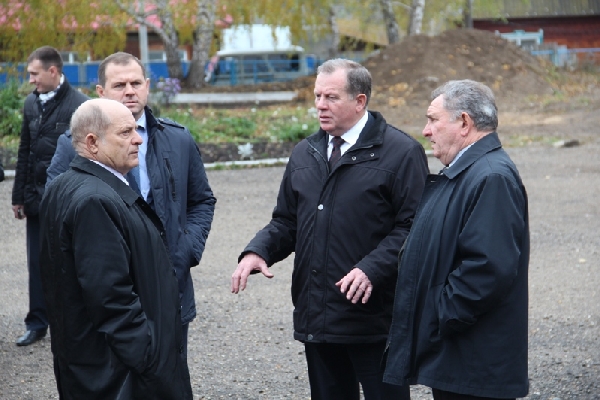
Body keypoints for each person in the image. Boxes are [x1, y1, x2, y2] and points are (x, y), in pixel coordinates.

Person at [231, 58, 429, 400]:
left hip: (375, 319)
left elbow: (415, 227)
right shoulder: (305, 152)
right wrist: (258, 251)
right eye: (317, 96)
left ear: (360, 101)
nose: (320, 105)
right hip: (319, 318)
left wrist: (372, 268)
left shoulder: (401, 153)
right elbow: (287, 220)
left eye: (331, 97)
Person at [46, 52, 216, 360]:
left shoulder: (177, 139)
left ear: (147, 86)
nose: (129, 91)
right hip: (112, 292)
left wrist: (187, 248)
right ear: (100, 92)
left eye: (136, 83)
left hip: (170, 286)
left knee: (170, 371)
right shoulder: (75, 144)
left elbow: (202, 199)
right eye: (119, 85)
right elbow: (57, 209)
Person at [383, 80, 530, 400]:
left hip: (473, 360)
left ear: (464, 122)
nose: (426, 131)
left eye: (433, 119)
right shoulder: (465, 172)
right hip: (459, 356)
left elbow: (488, 268)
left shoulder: (490, 176)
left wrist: (441, 315)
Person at [40, 98, 193, 399]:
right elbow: (110, 297)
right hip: (116, 376)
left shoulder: (70, 185)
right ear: (92, 143)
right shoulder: (95, 200)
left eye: (135, 130)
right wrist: (148, 359)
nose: (138, 139)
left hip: (98, 366)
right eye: (125, 133)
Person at [11, 46, 88, 346]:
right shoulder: (31, 103)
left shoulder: (80, 105)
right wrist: (19, 196)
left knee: (71, 261)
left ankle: (74, 323)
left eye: (34, 74)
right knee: (37, 263)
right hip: (35, 199)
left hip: (67, 201)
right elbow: (25, 150)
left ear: (52, 71)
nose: (30, 80)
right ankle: (37, 322)